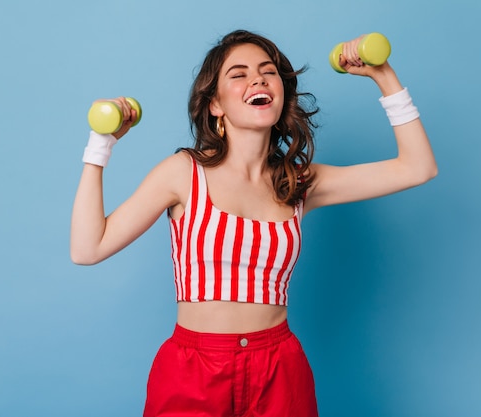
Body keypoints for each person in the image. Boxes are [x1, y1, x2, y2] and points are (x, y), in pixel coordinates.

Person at [70, 29, 437, 417]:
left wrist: (384, 76)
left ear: (281, 92)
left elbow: (418, 168)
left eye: (268, 72)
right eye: (239, 74)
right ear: (215, 105)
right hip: (194, 370)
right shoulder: (182, 174)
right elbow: (87, 248)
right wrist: (100, 144)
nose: (258, 79)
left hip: (279, 369)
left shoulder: (299, 182)